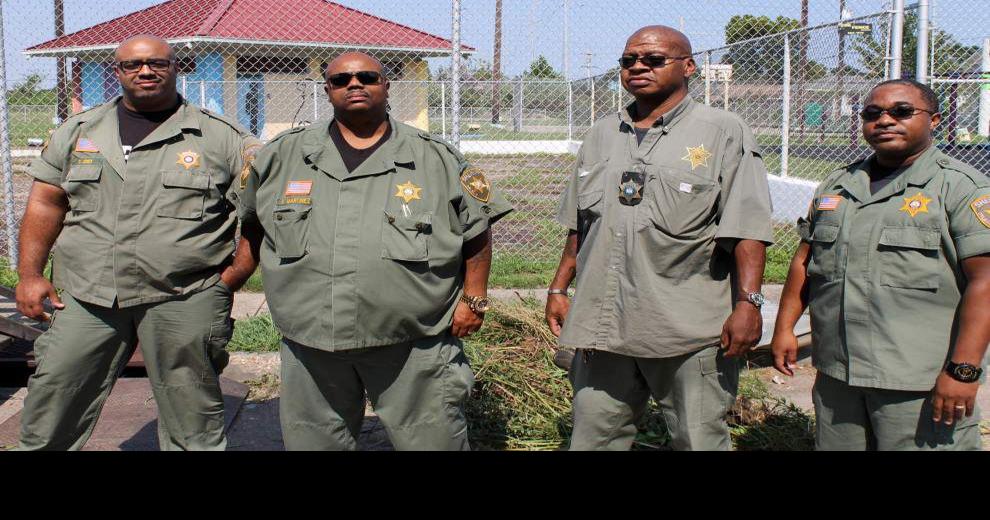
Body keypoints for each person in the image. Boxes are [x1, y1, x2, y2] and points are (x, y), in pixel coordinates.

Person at [238, 52, 512, 450]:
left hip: (413, 343)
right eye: (340, 79)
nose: (354, 84)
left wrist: (475, 298)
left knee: (433, 441)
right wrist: (228, 281)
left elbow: (477, 231)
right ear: (326, 90)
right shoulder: (283, 156)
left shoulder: (435, 157)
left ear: (386, 86)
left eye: (366, 76)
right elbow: (252, 226)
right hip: (312, 343)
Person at [16, 35, 262, 450]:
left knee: (192, 414)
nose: (145, 71)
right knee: (55, 394)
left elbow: (258, 216)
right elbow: (46, 202)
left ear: (176, 68)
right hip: (87, 293)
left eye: (157, 64)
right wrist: (29, 274)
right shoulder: (79, 131)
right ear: (118, 72)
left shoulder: (221, 138)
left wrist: (231, 279)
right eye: (132, 65)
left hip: (184, 295)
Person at [545, 25, 774, 451]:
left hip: (686, 326)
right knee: (594, 435)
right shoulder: (601, 133)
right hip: (605, 322)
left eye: (653, 59)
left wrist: (748, 304)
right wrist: (560, 286)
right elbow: (581, 223)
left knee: (699, 439)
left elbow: (746, 229)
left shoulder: (722, 130)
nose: (638, 67)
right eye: (629, 60)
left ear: (688, 67)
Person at [771, 79, 990, 450]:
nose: (885, 120)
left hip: (918, 382)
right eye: (873, 114)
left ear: (934, 120)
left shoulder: (961, 187)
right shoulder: (838, 185)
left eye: (902, 111)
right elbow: (804, 262)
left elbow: (984, 283)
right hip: (839, 376)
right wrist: (784, 328)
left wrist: (963, 371)